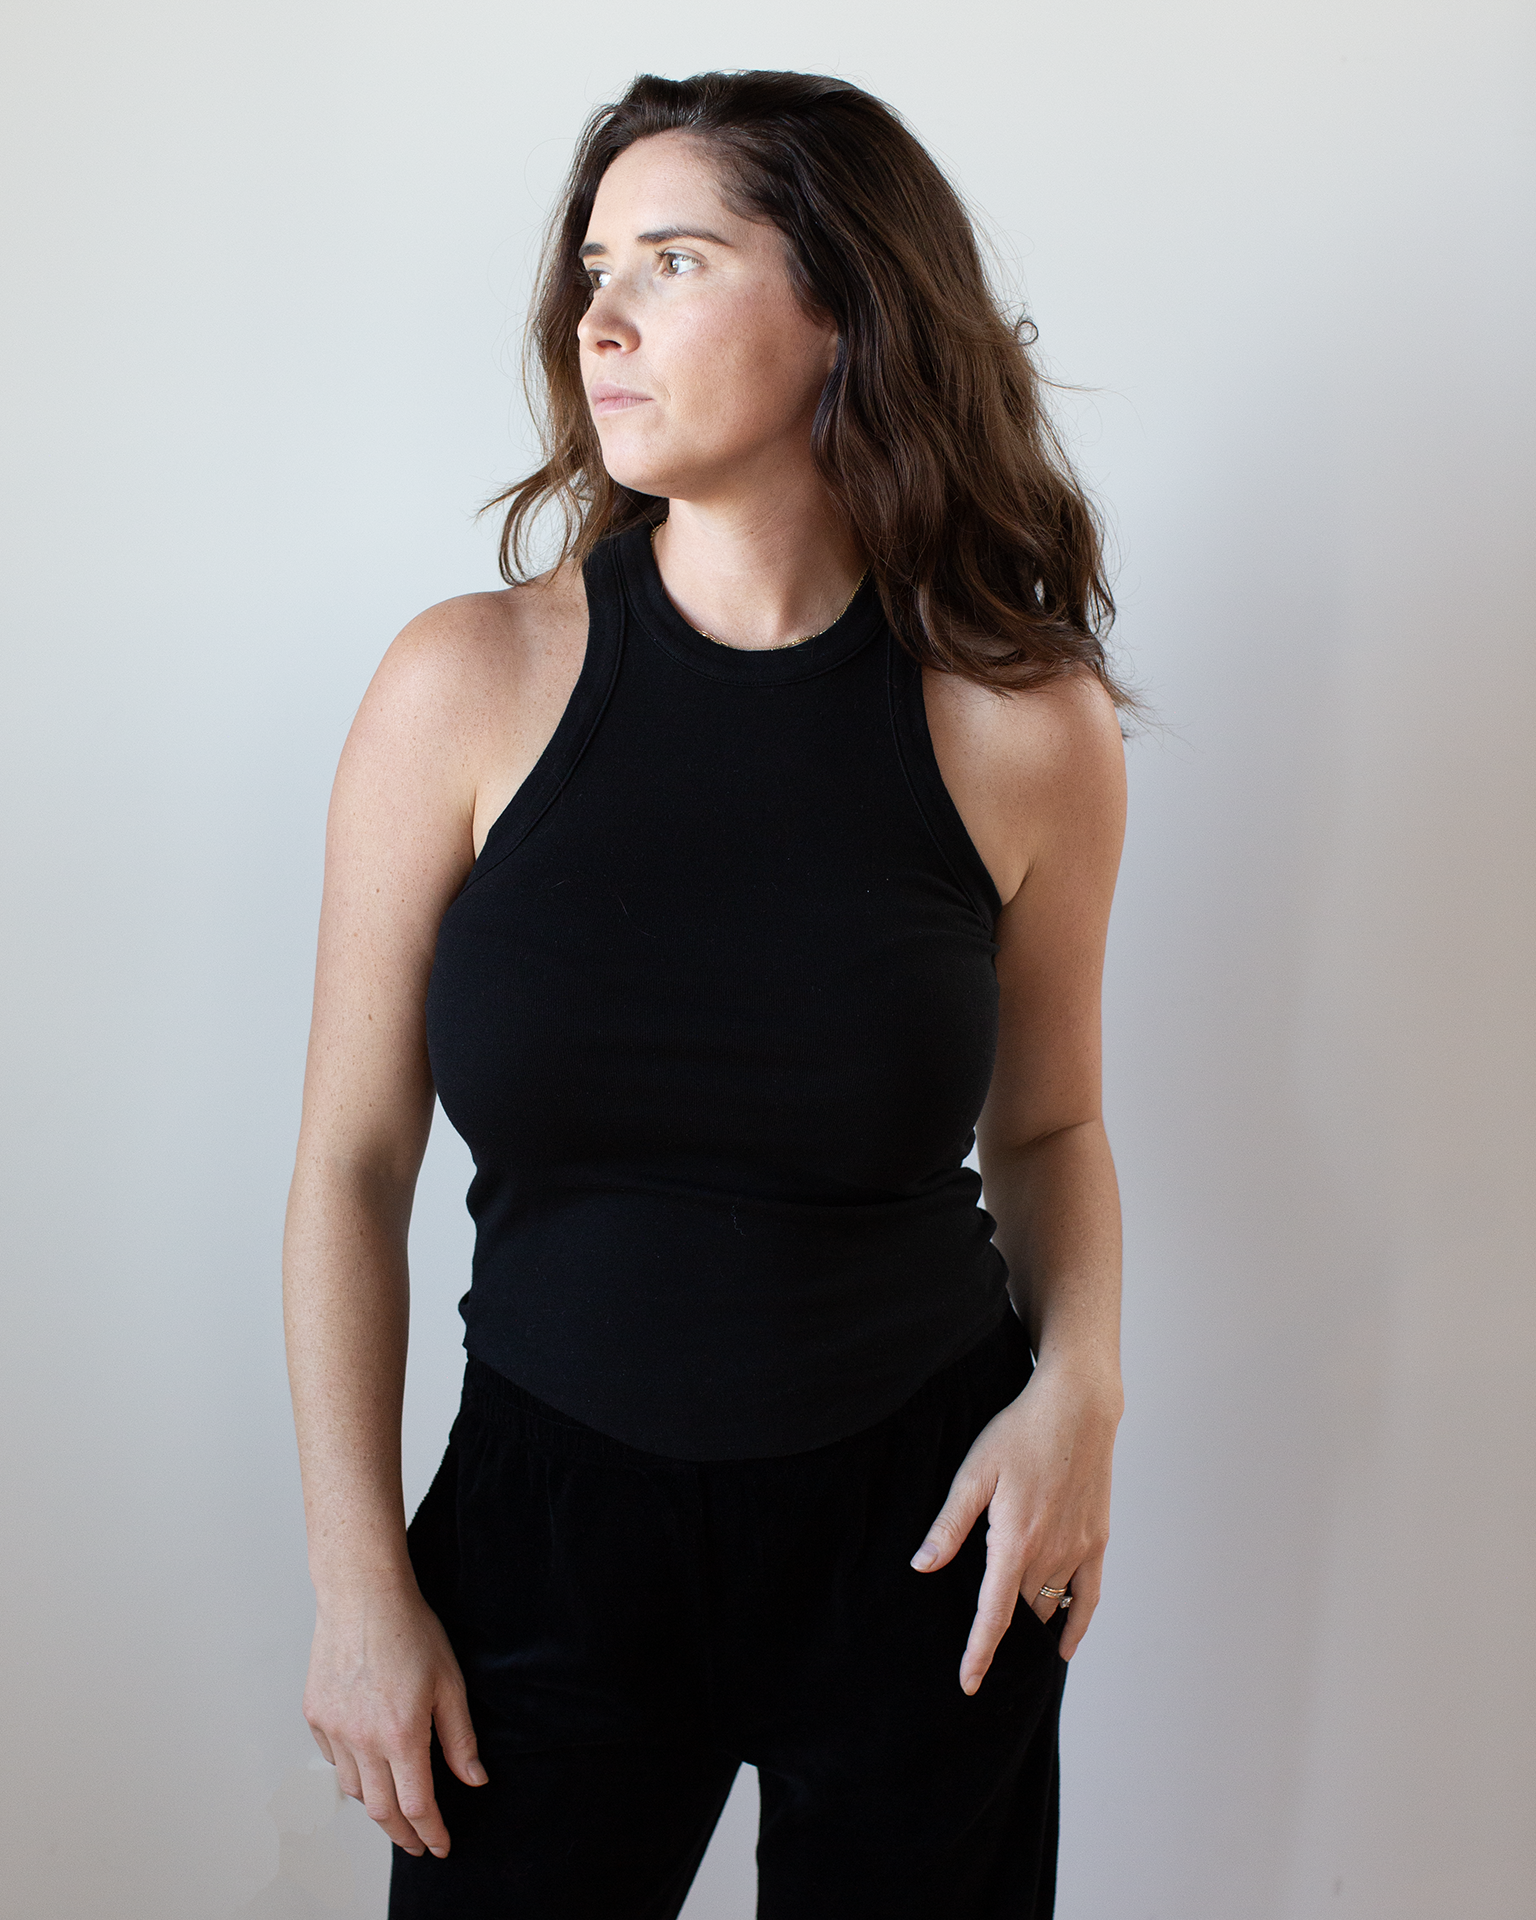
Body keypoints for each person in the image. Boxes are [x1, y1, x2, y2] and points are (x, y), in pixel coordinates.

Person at [282, 67, 1131, 1920]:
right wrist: (362, 1587)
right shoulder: (464, 686)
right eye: (595, 265)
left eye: (672, 260)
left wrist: (1085, 1388)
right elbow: (354, 1162)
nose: (600, 317)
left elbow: (1051, 1118)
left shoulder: (1022, 723)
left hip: (928, 1537)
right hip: (543, 1532)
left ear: (848, 307)